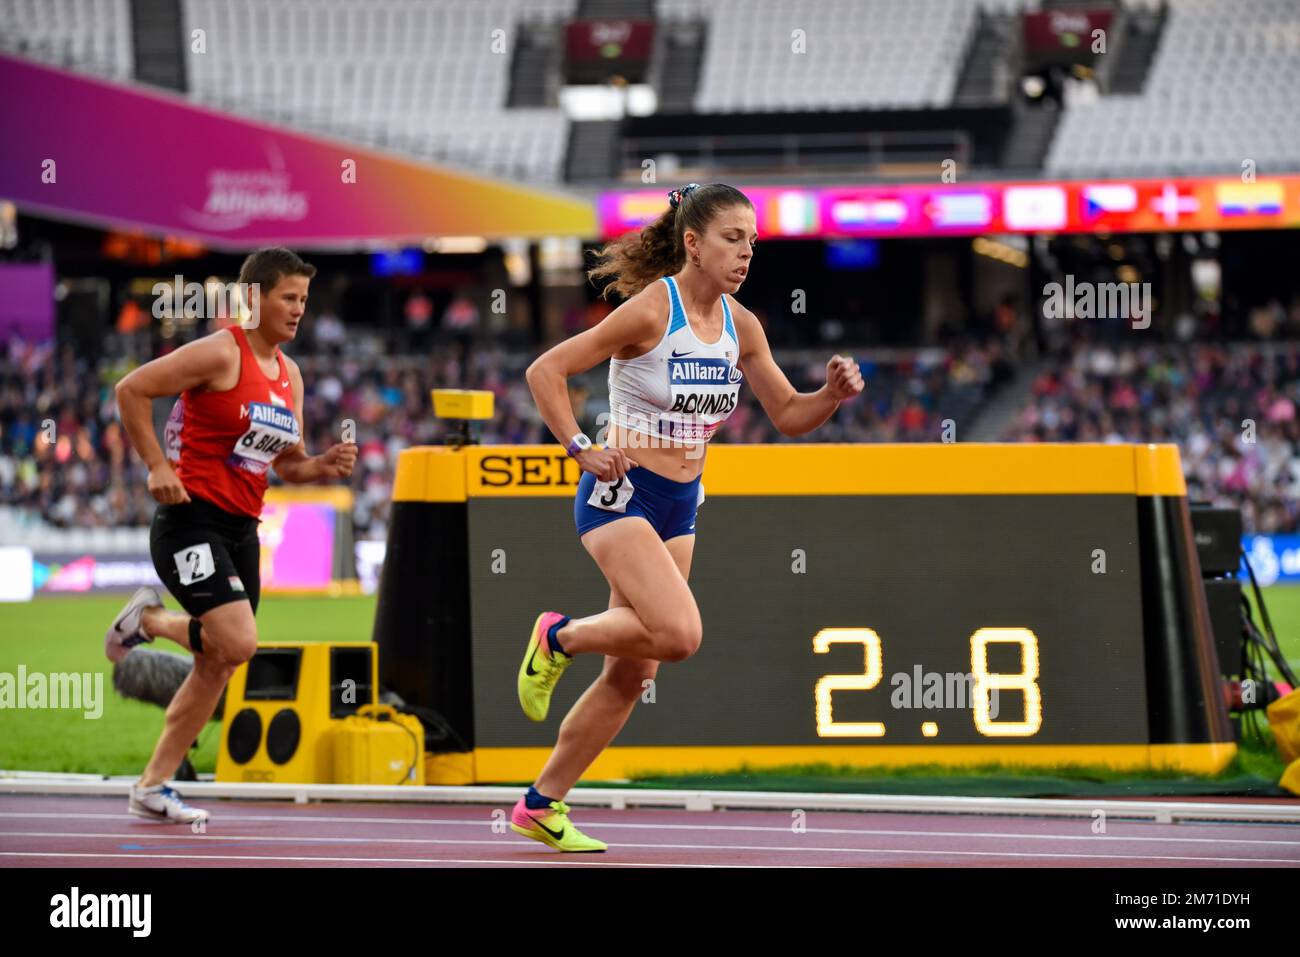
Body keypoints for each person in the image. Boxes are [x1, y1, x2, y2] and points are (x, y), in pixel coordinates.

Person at [513, 183, 864, 851]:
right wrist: (580, 446)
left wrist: (832, 395)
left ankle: (541, 803)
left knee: (633, 673)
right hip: (623, 492)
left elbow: (789, 416)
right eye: (733, 238)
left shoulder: (743, 326)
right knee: (678, 635)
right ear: (694, 243)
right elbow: (547, 370)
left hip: (681, 502)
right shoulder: (650, 311)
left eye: (753, 242)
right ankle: (558, 636)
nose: (746, 253)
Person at [107, 247, 358, 823]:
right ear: (255, 299)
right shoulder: (222, 352)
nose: (299, 310)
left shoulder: (289, 375)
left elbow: (287, 464)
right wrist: (156, 466)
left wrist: (322, 463)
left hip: (243, 528)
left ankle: (152, 786)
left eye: (304, 300)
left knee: (219, 663)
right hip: (189, 521)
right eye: (288, 298)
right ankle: (148, 622)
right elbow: (131, 390)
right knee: (239, 642)